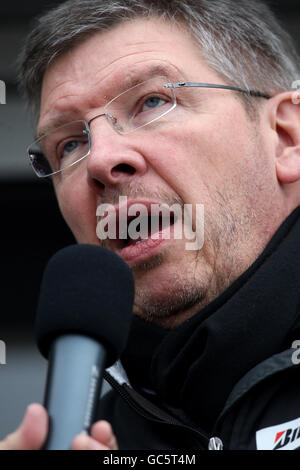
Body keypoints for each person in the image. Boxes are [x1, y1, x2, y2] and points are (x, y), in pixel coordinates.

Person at [2, 0, 300, 450]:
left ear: (286, 138)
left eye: (153, 101)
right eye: (69, 145)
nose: (101, 159)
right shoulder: (91, 437)